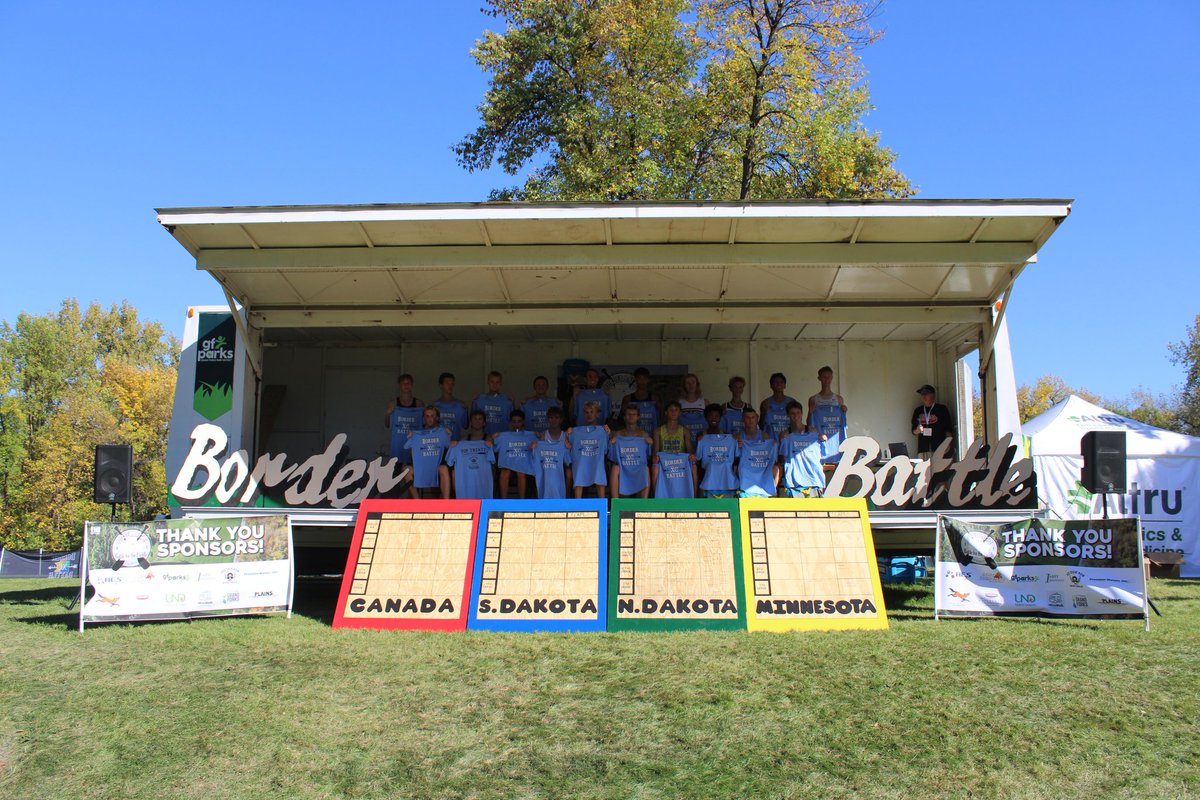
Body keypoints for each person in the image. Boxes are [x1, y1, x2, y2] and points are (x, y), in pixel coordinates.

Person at [403, 406, 452, 499]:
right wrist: (410, 438)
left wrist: (449, 434)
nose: (429, 418)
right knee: (406, 470)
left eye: (432, 416)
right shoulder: (416, 433)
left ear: (437, 418)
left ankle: (447, 503)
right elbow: (410, 453)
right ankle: (417, 502)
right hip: (421, 468)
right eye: (427, 416)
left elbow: (450, 448)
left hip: (437, 466)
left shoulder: (443, 431)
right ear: (424, 418)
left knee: (444, 468)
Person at [778, 401, 824, 497]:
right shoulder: (785, 435)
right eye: (792, 413)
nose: (796, 416)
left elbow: (821, 453)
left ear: (802, 414)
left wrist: (822, 438)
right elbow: (782, 457)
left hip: (813, 477)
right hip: (795, 479)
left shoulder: (812, 431)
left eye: (798, 413)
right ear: (788, 415)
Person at [608, 405, 653, 498]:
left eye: (634, 414)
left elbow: (647, 457)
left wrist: (650, 444)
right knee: (615, 468)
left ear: (638, 417)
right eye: (629, 414)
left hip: (637, 468)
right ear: (624, 417)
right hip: (623, 468)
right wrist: (612, 443)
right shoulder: (618, 434)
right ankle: (616, 503)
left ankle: (643, 504)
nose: (631, 416)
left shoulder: (644, 435)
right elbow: (612, 457)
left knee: (646, 469)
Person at [696, 403, 739, 497]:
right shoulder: (701, 437)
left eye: (716, 416)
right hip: (707, 479)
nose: (714, 418)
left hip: (726, 480)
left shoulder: (728, 437)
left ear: (720, 418)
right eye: (711, 416)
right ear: (706, 418)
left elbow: (735, 459)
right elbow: (698, 459)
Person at [493, 409, 538, 498]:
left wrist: (540, 436)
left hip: (523, 464)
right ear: (510, 423)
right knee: (505, 470)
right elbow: (491, 445)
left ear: (523, 422)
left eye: (519, 421)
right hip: (508, 463)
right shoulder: (503, 436)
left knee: (521, 471)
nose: (516, 424)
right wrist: (492, 437)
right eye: (514, 422)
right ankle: (504, 500)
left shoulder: (531, 435)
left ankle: (522, 501)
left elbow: (543, 442)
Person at [568, 400, 609, 498]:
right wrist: (568, 435)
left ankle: (602, 505)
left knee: (600, 474)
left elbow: (607, 448)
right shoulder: (575, 432)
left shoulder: (603, 431)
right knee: (578, 474)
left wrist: (609, 433)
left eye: (592, 412)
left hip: (596, 462)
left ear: (597, 414)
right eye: (586, 412)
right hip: (580, 463)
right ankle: (578, 506)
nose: (589, 415)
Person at [736, 408, 779, 498]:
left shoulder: (764, 435)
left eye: (753, 417)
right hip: (746, 467)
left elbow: (771, 454)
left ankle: (771, 495)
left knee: (776, 468)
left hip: (762, 466)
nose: (750, 420)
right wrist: (736, 445)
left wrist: (772, 444)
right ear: (743, 419)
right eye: (747, 417)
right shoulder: (738, 436)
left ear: (757, 418)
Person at [531, 406, 572, 499]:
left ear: (561, 419)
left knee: (569, 473)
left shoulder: (565, 435)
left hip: (562, 464)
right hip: (547, 464)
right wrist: (534, 446)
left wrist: (569, 448)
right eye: (551, 418)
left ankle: (567, 496)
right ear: (548, 419)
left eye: (557, 418)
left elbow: (569, 456)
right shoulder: (543, 435)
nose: (554, 420)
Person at [385, 373, 424, 464]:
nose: (406, 386)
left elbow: (425, 425)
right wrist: (388, 414)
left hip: (414, 448)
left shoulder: (419, 404)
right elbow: (387, 425)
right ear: (399, 385)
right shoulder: (393, 404)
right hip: (398, 447)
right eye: (404, 383)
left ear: (412, 385)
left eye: (408, 383)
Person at [445, 431, 496, 499]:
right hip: (465, 494)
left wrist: (491, 446)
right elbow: (449, 462)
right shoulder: (457, 446)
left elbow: (493, 462)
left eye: (479, 419)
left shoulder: (487, 445)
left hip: (483, 492)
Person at [912, 384, 954, 458]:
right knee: (923, 469)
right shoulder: (918, 410)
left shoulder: (942, 409)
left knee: (939, 469)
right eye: (922, 394)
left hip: (939, 448)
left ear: (933, 395)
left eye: (926, 393)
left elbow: (948, 428)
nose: (923, 396)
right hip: (923, 449)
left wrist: (948, 444)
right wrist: (917, 430)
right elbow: (913, 431)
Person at [807, 365, 848, 443]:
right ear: (819, 378)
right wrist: (810, 412)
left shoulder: (838, 399)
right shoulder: (813, 399)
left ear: (832, 378)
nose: (826, 379)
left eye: (829, 377)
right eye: (824, 377)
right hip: (820, 438)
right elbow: (809, 423)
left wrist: (844, 412)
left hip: (836, 438)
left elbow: (843, 422)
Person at [473, 371, 516, 437]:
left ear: (501, 383)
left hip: (501, 439)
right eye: (492, 382)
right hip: (484, 439)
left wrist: (513, 404)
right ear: (488, 382)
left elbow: (515, 421)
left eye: (497, 382)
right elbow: (472, 421)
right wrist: (473, 402)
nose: (494, 385)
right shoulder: (479, 400)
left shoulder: (507, 401)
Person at [620, 367, 660, 437]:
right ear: (635, 380)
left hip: (652, 436)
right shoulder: (628, 398)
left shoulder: (655, 398)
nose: (642, 382)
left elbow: (661, 417)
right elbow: (623, 419)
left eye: (644, 379)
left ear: (648, 380)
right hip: (632, 437)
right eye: (639, 379)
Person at [759, 372, 798, 441]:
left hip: (788, 441)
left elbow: (797, 422)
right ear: (771, 385)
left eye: (781, 382)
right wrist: (764, 413)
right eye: (776, 382)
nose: (779, 384)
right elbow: (761, 426)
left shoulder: (791, 402)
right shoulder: (766, 403)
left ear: (785, 385)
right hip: (772, 442)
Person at [433, 372, 470, 439]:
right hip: (440, 446)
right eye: (447, 383)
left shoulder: (460, 406)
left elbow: (465, 426)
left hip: (454, 445)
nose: (450, 386)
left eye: (452, 384)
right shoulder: (435, 407)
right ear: (441, 385)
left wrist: (466, 410)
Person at [678, 373, 707, 440]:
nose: (691, 385)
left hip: (701, 438)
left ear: (697, 384)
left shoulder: (705, 402)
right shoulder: (679, 402)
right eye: (688, 383)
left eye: (693, 382)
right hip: (684, 438)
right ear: (684, 386)